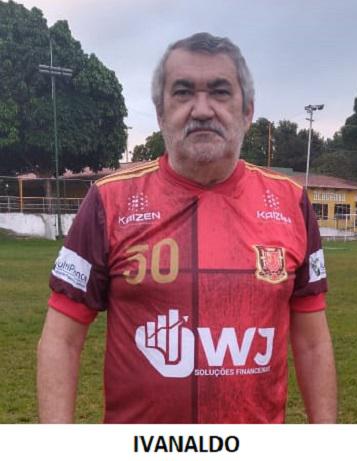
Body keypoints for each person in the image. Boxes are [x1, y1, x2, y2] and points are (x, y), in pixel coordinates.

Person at [37, 32, 337, 423]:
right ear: (160, 113)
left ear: (247, 111)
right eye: (183, 92)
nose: (202, 109)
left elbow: (313, 344)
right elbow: (61, 339)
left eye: (220, 92)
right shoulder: (109, 201)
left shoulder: (291, 202)